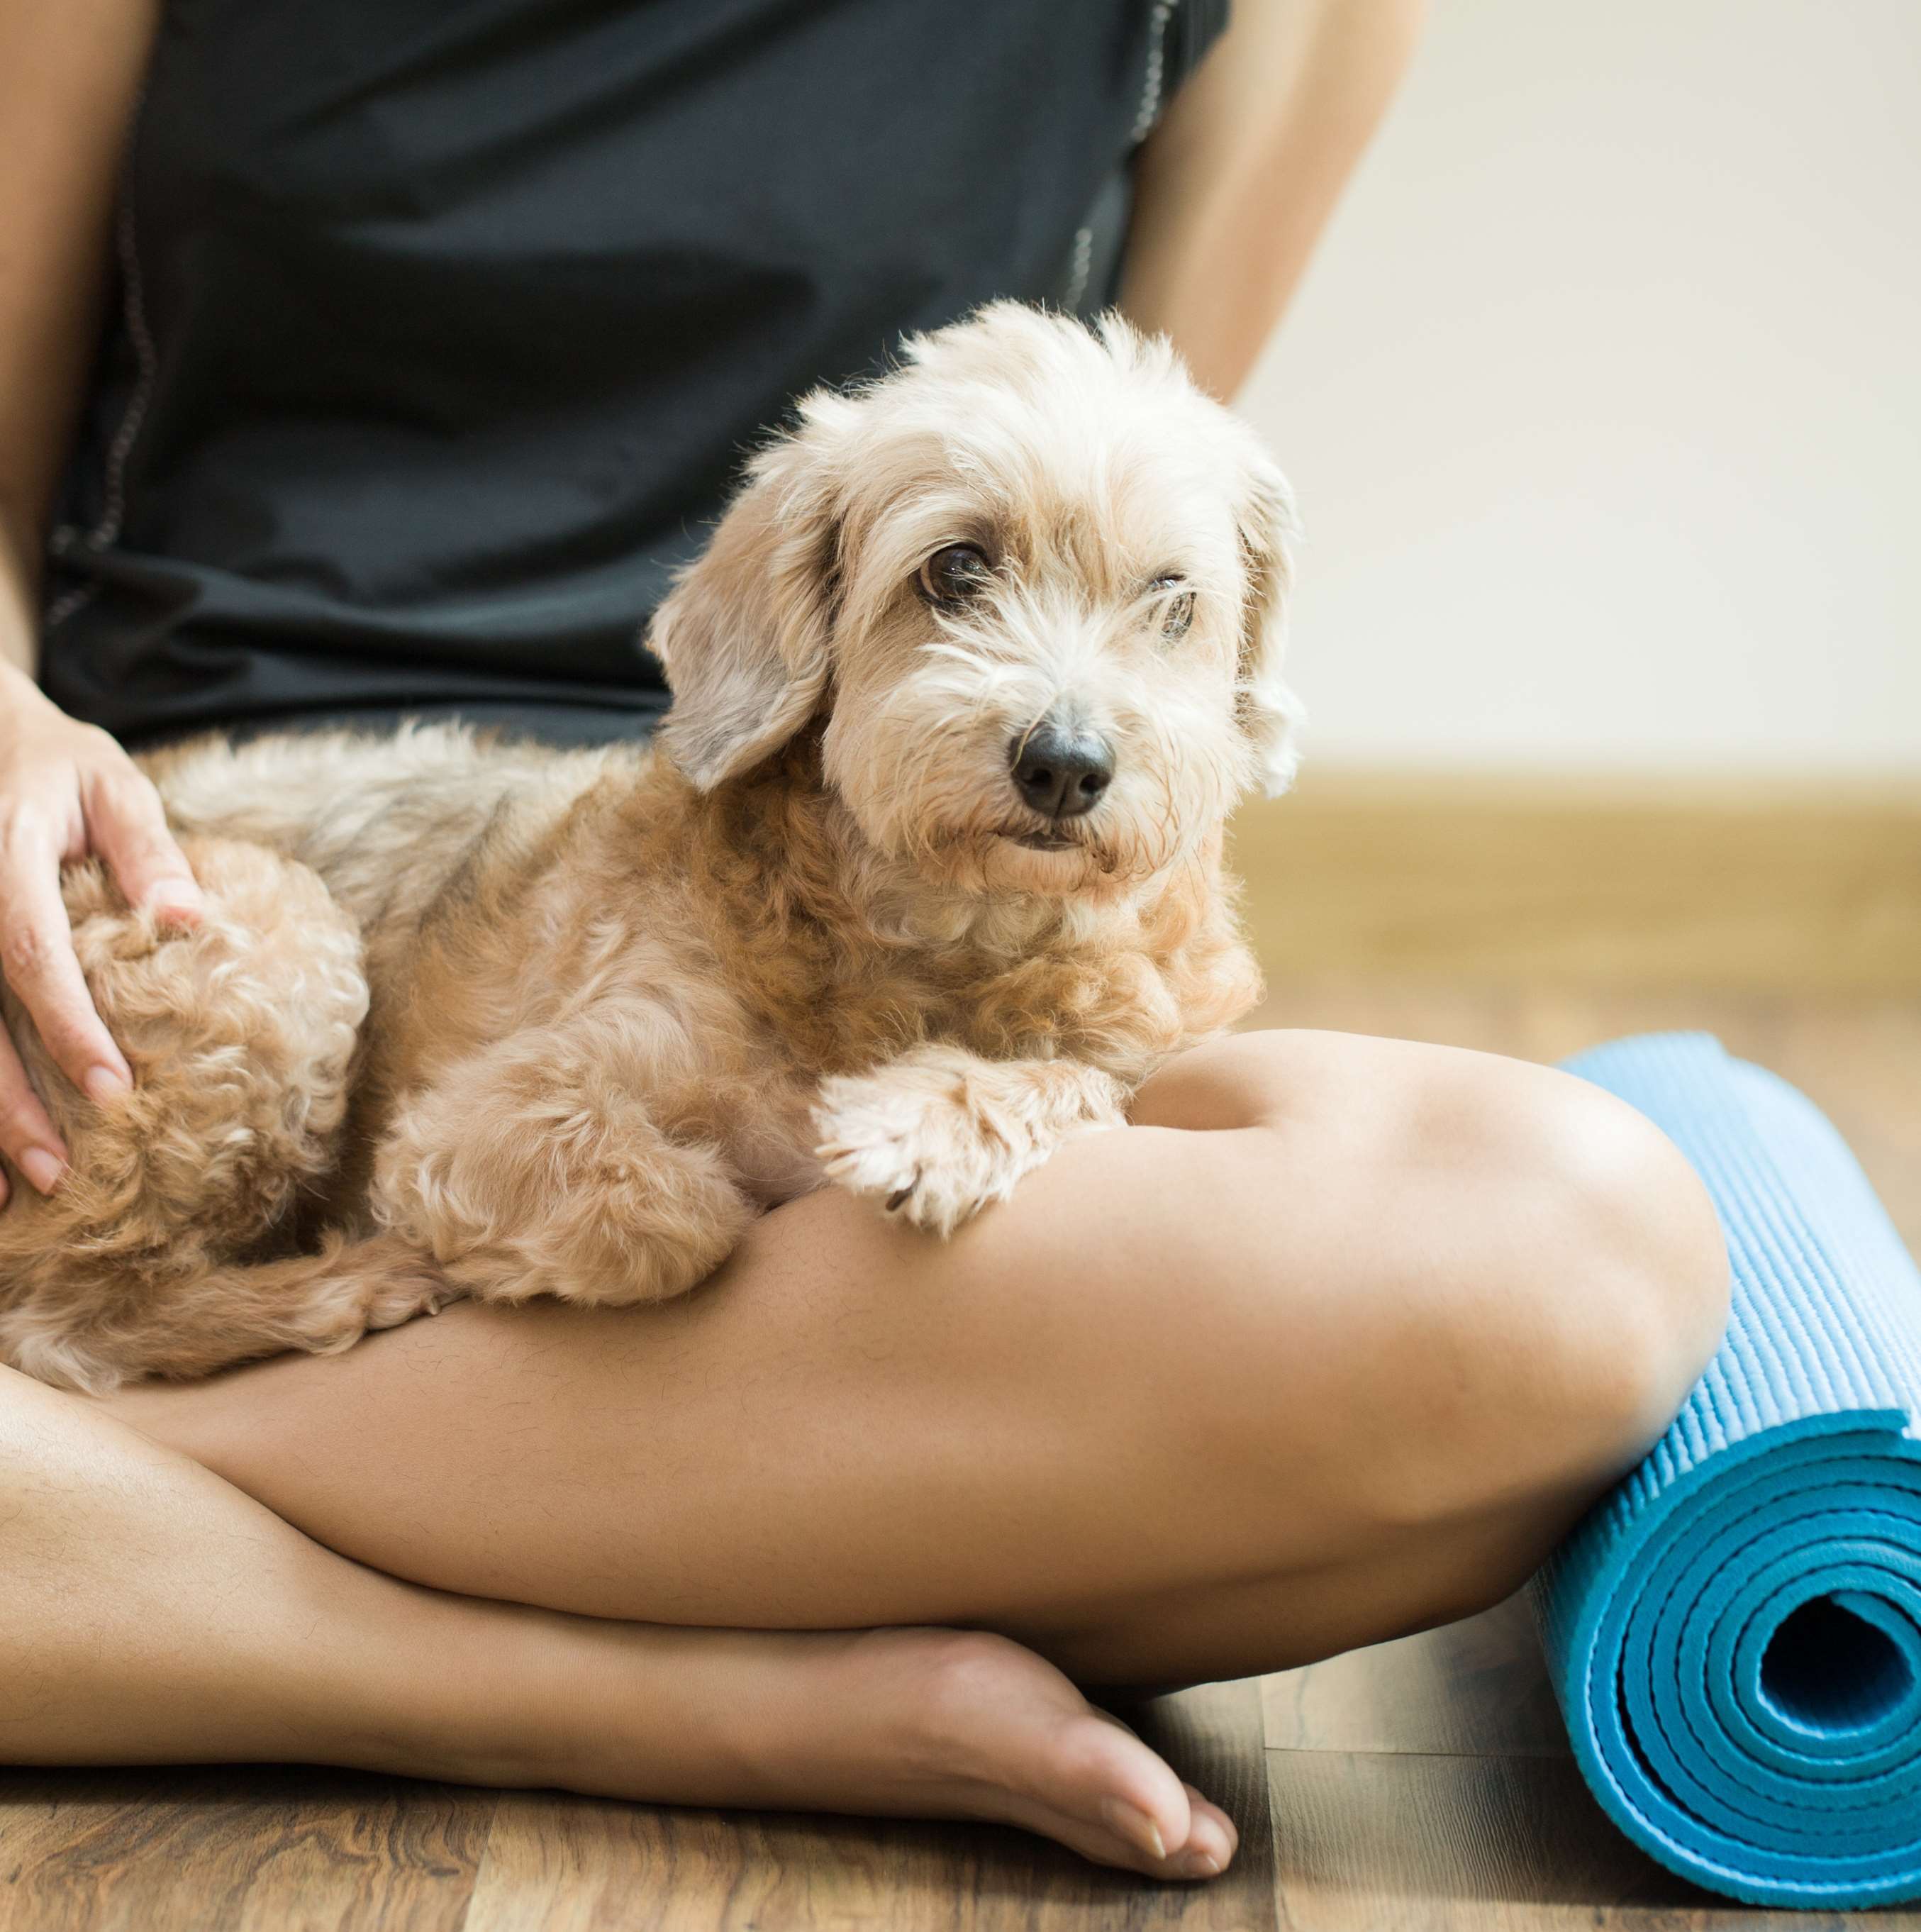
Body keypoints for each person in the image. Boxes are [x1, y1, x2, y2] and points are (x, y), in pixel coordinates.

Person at [0, 0, 1728, 1882]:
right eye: (961, 569)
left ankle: (105, 1512)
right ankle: (638, 1690)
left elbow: (1114, 516)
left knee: (1565, 1256)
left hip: (894, 847)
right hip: (188, 827)